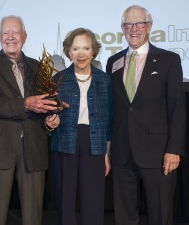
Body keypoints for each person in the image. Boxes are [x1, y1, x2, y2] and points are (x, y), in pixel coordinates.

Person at [0, 15, 67, 225]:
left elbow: (43, 105)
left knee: (33, 215)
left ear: (24, 37)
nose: (10, 37)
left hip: (33, 147)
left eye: (15, 32)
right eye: (5, 32)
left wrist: (53, 116)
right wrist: (25, 104)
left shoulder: (38, 67)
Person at [105, 5, 186, 225]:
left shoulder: (169, 60)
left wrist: (173, 150)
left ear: (149, 27)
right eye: (128, 24)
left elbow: (176, 107)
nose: (134, 28)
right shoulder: (113, 62)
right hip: (122, 150)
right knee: (124, 214)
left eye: (139, 23)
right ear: (122, 28)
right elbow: (113, 108)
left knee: (160, 212)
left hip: (158, 151)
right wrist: (108, 149)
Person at [50, 28, 112, 225]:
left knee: (93, 199)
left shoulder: (104, 79)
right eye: (76, 48)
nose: (81, 53)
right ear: (69, 52)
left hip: (94, 142)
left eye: (86, 48)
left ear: (94, 51)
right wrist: (49, 123)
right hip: (64, 141)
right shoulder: (57, 79)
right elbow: (46, 117)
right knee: (65, 199)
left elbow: (108, 120)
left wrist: (106, 153)